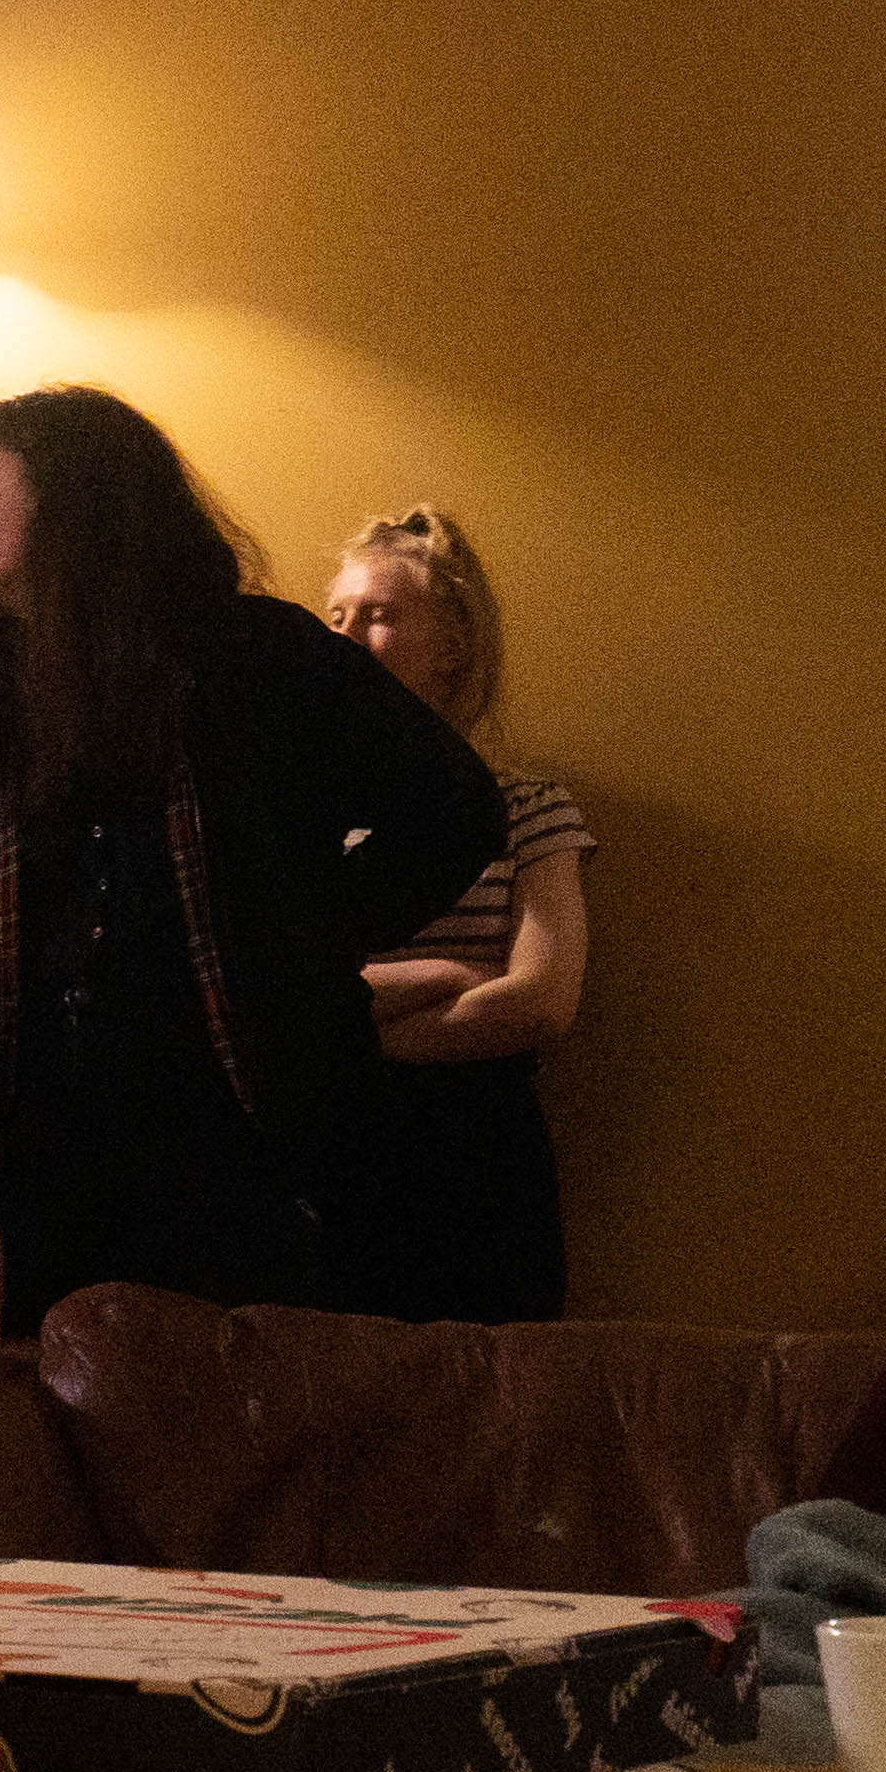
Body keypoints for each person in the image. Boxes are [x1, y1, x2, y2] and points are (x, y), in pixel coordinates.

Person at [0, 387, 506, 1345]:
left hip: (260, 1176)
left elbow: (455, 810)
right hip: (36, 1190)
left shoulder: (263, 659)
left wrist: (300, 937)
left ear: (68, 498)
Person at [322, 506, 592, 1320]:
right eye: (335, 614)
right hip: (329, 1163)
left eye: (377, 614)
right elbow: (262, 997)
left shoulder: (526, 808)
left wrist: (336, 1039)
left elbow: (541, 1001)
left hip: (478, 1169)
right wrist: (444, 975)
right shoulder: (299, 821)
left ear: (452, 648)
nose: (345, 635)